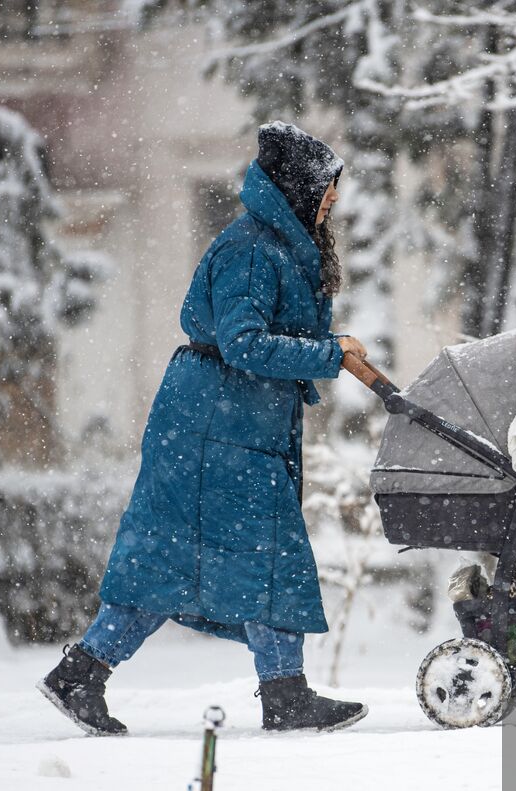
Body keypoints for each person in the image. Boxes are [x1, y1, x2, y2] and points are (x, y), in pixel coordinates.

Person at [39, 121, 369, 736]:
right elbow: (244, 344)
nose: (332, 201)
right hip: (216, 428)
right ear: (298, 188)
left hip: (231, 425)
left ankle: (84, 674)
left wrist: (326, 350)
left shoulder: (277, 247)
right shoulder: (251, 250)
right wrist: (328, 353)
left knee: (188, 560)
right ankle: (283, 695)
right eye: (326, 189)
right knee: (251, 556)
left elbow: (260, 341)